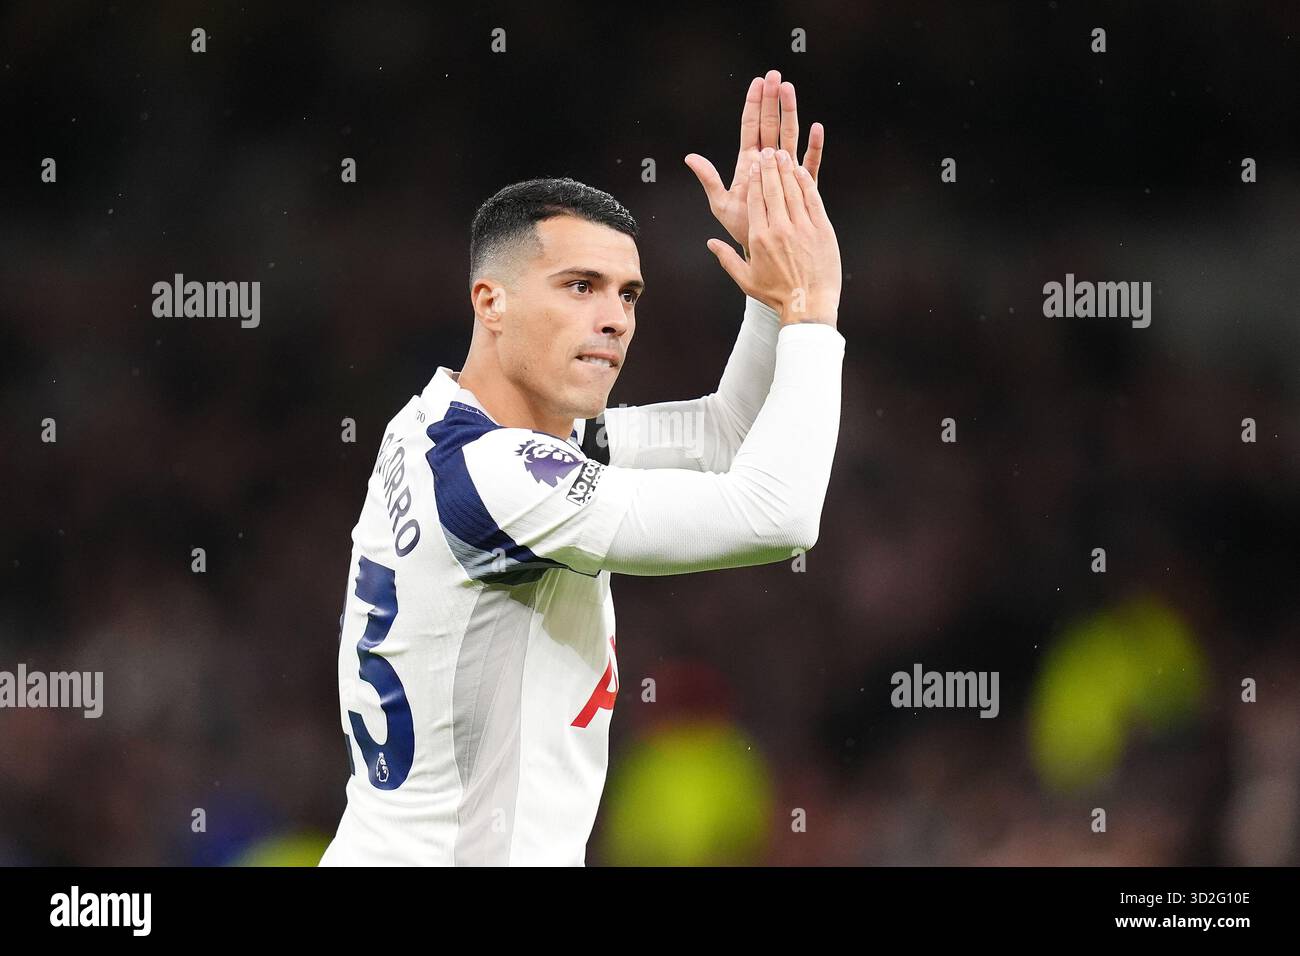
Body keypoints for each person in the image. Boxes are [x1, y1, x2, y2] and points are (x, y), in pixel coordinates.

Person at [320, 70, 844, 865]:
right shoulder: (497, 477)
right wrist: (814, 313)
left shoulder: (444, 425)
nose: (614, 318)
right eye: (580, 286)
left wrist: (770, 302)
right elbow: (779, 516)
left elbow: (723, 440)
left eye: (629, 295)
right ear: (489, 301)